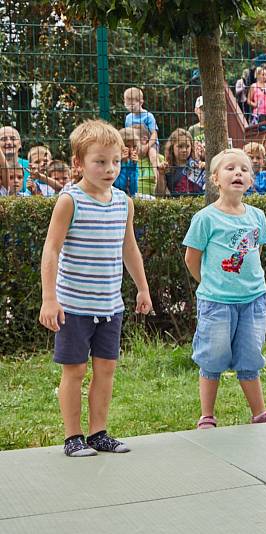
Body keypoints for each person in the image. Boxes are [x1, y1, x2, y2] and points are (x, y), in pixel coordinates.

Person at [38, 119, 152, 457]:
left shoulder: (123, 202)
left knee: (106, 369)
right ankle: (72, 437)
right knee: (75, 371)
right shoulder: (69, 201)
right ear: (79, 163)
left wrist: (142, 288)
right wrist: (49, 299)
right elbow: (52, 250)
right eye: (100, 161)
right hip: (73, 306)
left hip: (110, 307)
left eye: (115, 161)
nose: (109, 168)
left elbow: (128, 248)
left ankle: (98, 432)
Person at [183, 148, 266, 429]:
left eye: (244, 169)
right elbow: (192, 258)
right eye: (230, 168)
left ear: (251, 180)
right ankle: (207, 416)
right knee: (212, 358)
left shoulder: (257, 216)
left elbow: (256, 251)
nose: (237, 173)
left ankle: (259, 413)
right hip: (216, 303)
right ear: (215, 178)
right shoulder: (205, 218)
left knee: (250, 356)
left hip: (253, 300)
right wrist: (210, 284)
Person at [123, 87, 160, 186]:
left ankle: (157, 176)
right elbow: (128, 135)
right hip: (135, 145)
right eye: (127, 104)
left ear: (141, 102)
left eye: (132, 104)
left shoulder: (148, 116)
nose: (130, 107)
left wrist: (147, 146)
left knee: (152, 154)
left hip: (150, 144)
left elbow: (154, 134)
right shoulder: (128, 118)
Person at [162, 128, 204, 196]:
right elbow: (159, 194)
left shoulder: (197, 165)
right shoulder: (167, 167)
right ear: (172, 147)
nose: (184, 150)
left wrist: (206, 167)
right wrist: (161, 174)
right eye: (180, 146)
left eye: (187, 146)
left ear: (191, 147)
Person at [0, 126, 29, 190]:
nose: (9, 142)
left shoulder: (30, 167)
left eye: (13, 139)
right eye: (3, 139)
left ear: (20, 144)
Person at [114, 127, 139, 197]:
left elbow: (134, 190)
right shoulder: (114, 162)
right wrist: (122, 163)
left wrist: (134, 166)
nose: (131, 149)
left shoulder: (133, 162)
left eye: (134, 146)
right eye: (127, 146)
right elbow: (119, 186)